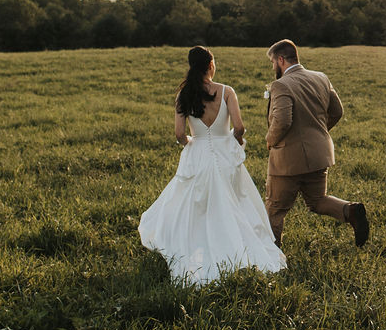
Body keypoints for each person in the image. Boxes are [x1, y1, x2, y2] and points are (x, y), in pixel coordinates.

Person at [138, 46, 286, 284]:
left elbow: (178, 134)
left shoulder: (183, 95)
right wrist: (234, 141)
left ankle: (196, 243)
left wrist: (190, 141)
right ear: (210, 65)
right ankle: (233, 242)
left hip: (197, 152)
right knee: (234, 200)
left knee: (195, 202)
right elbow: (239, 127)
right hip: (223, 151)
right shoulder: (227, 91)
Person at [264, 39, 368, 248]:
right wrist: (318, 134)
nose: (273, 67)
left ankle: (271, 257)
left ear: (281, 60)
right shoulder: (321, 78)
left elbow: (283, 121)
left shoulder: (281, 84)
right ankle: (350, 210)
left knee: (275, 209)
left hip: (288, 159)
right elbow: (337, 112)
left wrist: (270, 141)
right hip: (320, 154)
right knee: (317, 200)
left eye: (273, 62)